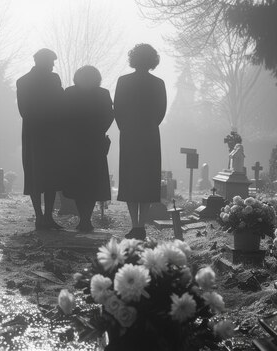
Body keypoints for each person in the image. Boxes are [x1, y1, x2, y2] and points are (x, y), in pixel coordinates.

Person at [114, 44, 167, 240]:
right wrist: (150, 125)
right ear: (153, 60)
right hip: (150, 134)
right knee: (147, 179)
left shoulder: (123, 81)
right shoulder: (158, 83)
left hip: (129, 134)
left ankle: (135, 225)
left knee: (131, 179)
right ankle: (141, 225)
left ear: (133, 59)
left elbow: (117, 108)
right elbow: (161, 111)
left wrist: (126, 127)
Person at [16, 48, 65, 230]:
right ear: (42, 62)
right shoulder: (48, 80)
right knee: (43, 174)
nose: (53, 66)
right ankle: (44, 216)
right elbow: (60, 102)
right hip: (44, 132)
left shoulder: (25, 81)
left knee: (40, 174)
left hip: (37, 132)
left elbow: (24, 110)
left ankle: (42, 216)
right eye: (51, 62)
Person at [62, 66, 114, 232]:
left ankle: (83, 219)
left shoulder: (70, 93)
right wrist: (99, 130)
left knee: (80, 182)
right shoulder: (102, 94)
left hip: (75, 143)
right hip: (94, 142)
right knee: (92, 182)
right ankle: (86, 219)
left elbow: (63, 115)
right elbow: (109, 115)